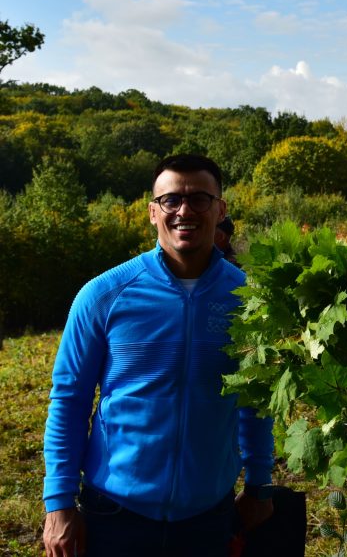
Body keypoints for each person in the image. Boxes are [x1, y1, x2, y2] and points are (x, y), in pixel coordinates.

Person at [42, 154, 275, 557]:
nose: (185, 210)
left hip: (208, 517)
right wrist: (58, 503)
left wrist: (259, 483)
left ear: (220, 209)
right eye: (171, 200)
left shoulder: (249, 300)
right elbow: (69, 401)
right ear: (153, 212)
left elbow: (257, 402)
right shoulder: (103, 296)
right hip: (114, 513)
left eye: (200, 199)